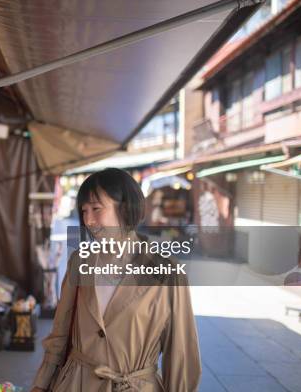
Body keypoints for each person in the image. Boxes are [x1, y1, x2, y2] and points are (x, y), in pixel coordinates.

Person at [31, 168, 201, 392]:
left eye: (96, 208)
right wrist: (41, 385)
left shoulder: (167, 273)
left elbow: (181, 355)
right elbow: (60, 333)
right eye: (84, 210)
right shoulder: (79, 263)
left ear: (125, 207)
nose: (89, 220)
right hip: (76, 384)